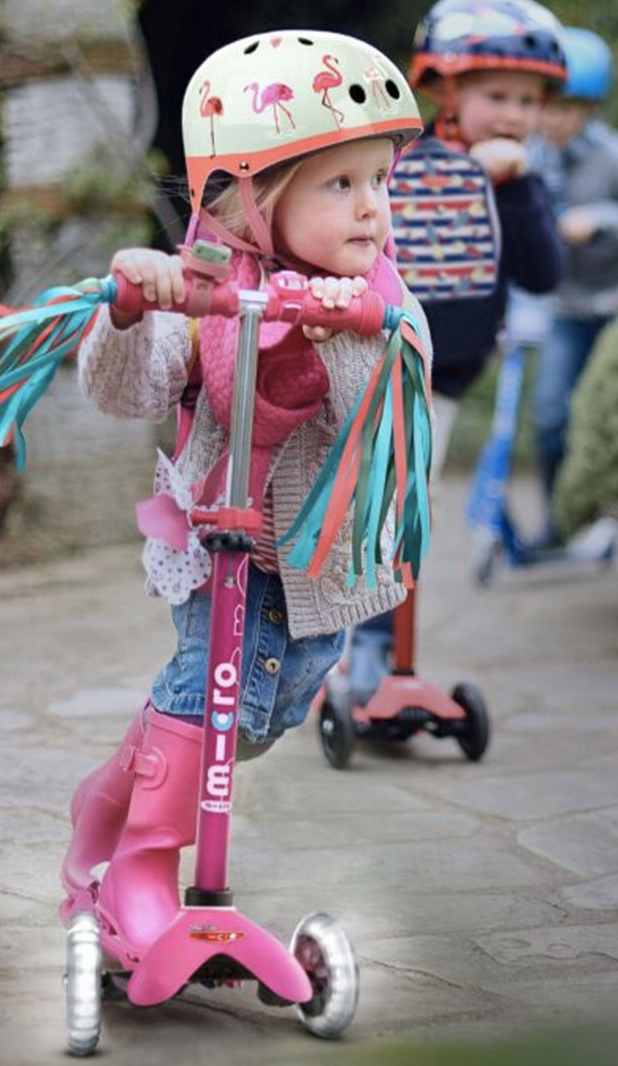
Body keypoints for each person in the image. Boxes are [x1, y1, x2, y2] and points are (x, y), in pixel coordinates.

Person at [58, 29, 432, 961]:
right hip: (220, 557)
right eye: (340, 185)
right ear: (256, 197)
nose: (372, 209)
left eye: (379, 183)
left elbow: (403, 372)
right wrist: (133, 308)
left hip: (317, 563)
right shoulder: (213, 289)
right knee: (204, 704)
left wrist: (351, 327)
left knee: (262, 718)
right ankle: (145, 865)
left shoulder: (378, 293)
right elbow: (126, 391)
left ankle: (111, 788)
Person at [332, 0, 567, 707]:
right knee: (380, 516)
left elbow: (543, 272)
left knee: (407, 519)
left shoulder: (519, 181)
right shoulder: (401, 168)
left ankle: (384, 656)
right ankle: (362, 655)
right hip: (379, 370)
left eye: (528, 100)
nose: (514, 114)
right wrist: (464, 176)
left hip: (447, 381)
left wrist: (515, 187)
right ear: (443, 91)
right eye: (497, 95)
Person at [527, 27, 618, 549]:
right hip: (566, 307)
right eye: (544, 107)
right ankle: (561, 521)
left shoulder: (608, 156)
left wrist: (599, 218)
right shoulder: (534, 155)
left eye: (563, 109)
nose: (550, 121)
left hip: (611, 308)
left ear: (588, 109)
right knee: (550, 417)